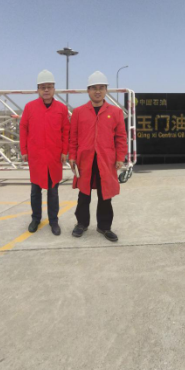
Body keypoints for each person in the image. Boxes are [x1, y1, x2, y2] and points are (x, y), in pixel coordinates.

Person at [69, 71, 127, 242]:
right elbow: (73, 137)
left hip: (106, 160)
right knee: (83, 194)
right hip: (85, 160)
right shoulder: (79, 112)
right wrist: (72, 156)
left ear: (106, 90)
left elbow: (121, 137)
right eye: (94, 88)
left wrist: (120, 157)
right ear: (88, 90)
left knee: (105, 195)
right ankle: (81, 224)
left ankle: (104, 227)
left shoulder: (115, 112)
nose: (97, 91)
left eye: (101, 88)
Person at [20, 70, 70, 236]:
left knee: (53, 191)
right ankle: (35, 219)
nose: (46, 90)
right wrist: (24, 150)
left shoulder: (61, 109)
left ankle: (53, 221)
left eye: (49, 87)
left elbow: (66, 131)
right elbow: (23, 128)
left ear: (54, 88)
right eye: (43, 87)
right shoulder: (30, 107)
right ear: (38, 90)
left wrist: (65, 151)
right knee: (35, 190)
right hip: (36, 156)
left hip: (54, 157)